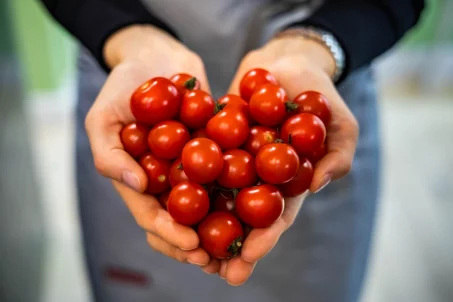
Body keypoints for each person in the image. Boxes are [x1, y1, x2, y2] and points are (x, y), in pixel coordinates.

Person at [40, 0, 424, 301]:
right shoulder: (156, 123)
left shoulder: (292, 128)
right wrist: (127, 37)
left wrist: (318, 45)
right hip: (127, 77)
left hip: (318, 75)